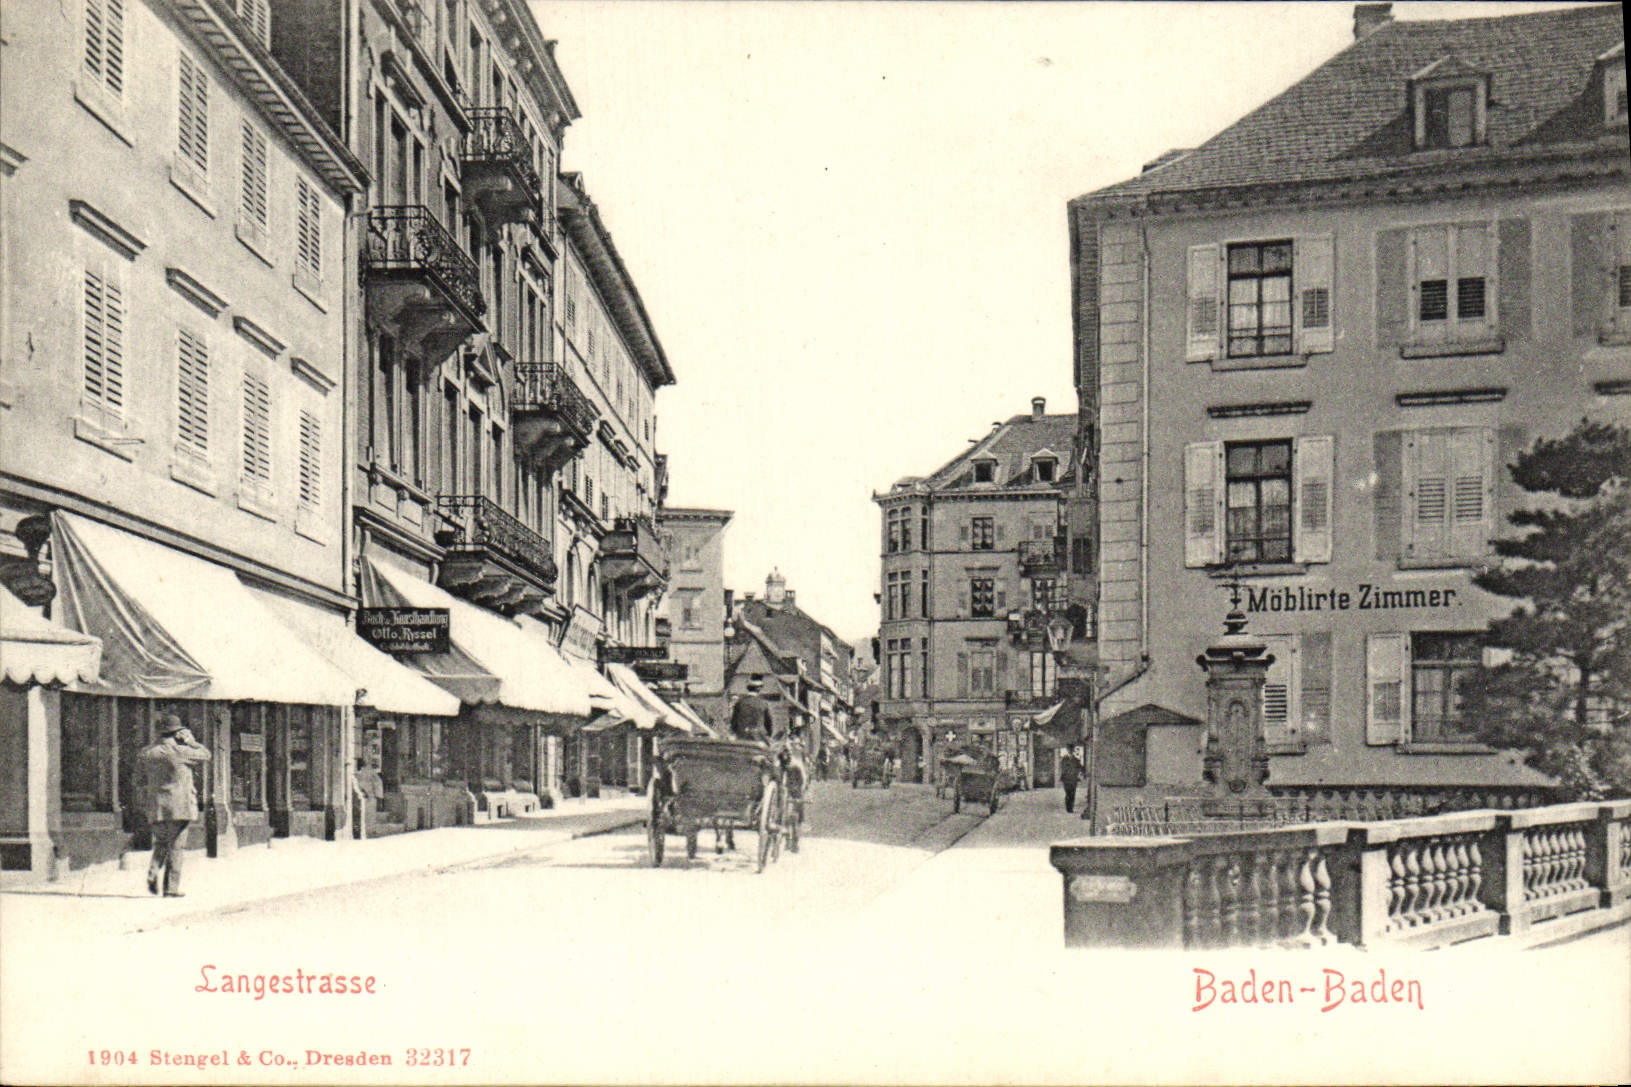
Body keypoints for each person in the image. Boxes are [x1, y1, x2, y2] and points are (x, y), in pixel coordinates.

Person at [139, 714, 211, 897]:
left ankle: (152, 873)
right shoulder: (180, 751)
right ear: (177, 733)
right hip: (179, 808)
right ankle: (171, 888)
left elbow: (139, 777)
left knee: (161, 843)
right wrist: (192, 742)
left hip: (157, 806)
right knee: (176, 847)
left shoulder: (147, 752)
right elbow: (206, 755)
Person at [728, 677, 775, 743]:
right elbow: (769, 724)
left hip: (742, 737)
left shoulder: (739, 703)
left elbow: (733, 723)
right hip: (759, 737)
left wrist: (737, 733)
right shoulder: (763, 703)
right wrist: (769, 735)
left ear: (748, 688)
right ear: (758, 689)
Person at [1059, 746, 1083, 814]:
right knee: (1068, 793)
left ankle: (1071, 808)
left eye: (1071, 750)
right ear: (1067, 750)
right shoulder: (1064, 759)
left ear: (1073, 751)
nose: (1070, 751)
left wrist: (1078, 773)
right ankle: (1068, 807)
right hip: (1066, 779)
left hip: (1073, 779)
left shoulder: (1076, 760)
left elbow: (1080, 768)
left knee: (1072, 793)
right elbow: (1063, 768)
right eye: (1069, 750)